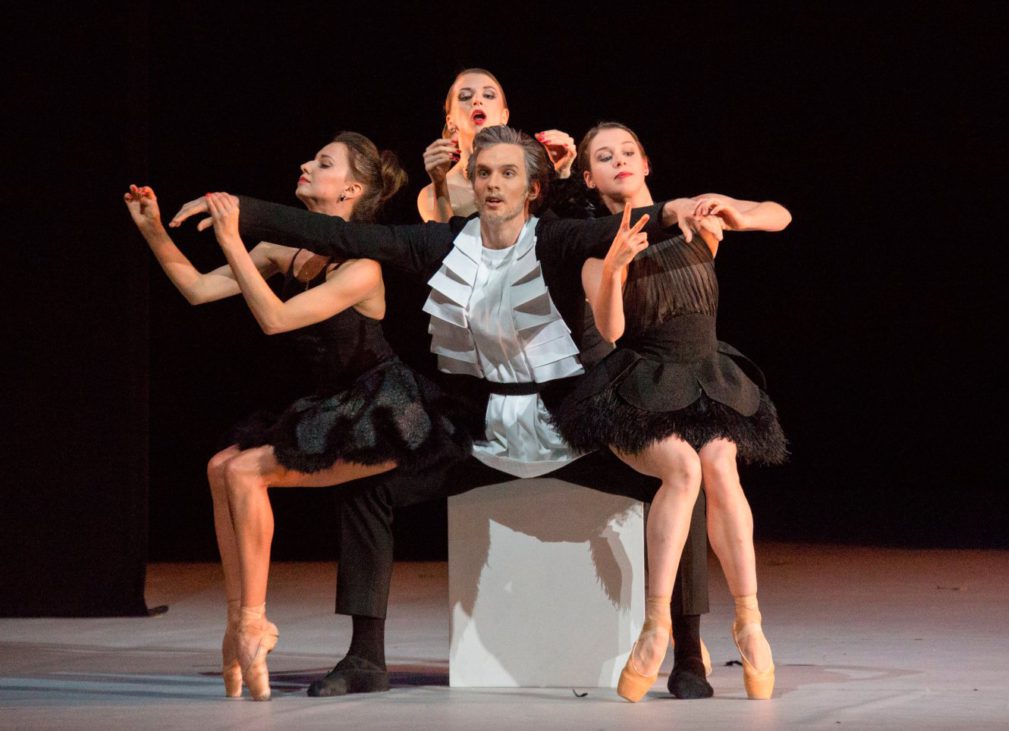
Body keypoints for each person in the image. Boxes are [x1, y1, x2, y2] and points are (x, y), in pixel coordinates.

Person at [170, 125, 715, 699]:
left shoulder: (557, 239)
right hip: (479, 431)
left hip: (566, 427)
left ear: (532, 187)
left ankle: (687, 654)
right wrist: (241, 212)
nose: (493, 184)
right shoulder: (439, 243)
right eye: (483, 173)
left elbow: (633, 222)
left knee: (680, 475)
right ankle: (364, 656)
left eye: (508, 173)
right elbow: (335, 233)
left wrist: (681, 207)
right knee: (369, 482)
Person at [125, 132, 470, 701]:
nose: (307, 165)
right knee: (219, 467)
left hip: (384, 412)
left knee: (243, 472)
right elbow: (195, 289)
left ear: (351, 191)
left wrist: (236, 239)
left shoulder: (362, 266)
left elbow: (276, 320)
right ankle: (238, 624)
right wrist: (153, 228)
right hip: (330, 407)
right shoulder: (283, 253)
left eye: (323, 163)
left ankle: (255, 624)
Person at [553, 122, 791, 701]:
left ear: (646, 162)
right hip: (639, 384)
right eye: (604, 157)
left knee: (719, 463)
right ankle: (656, 624)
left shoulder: (693, 218)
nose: (619, 162)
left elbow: (778, 213)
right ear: (589, 177)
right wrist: (614, 267)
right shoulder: (593, 243)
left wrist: (736, 213)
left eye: (628, 152)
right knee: (684, 469)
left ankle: (749, 621)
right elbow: (609, 330)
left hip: (707, 378)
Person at [417, 68, 577, 222]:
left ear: (504, 116)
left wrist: (562, 173)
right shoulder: (432, 194)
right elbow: (442, 245)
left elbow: (559, 234)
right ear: (450, 121)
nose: (477, 100)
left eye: (488, 95)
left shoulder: (527, 177)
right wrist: (440, 186)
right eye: (465, 97)